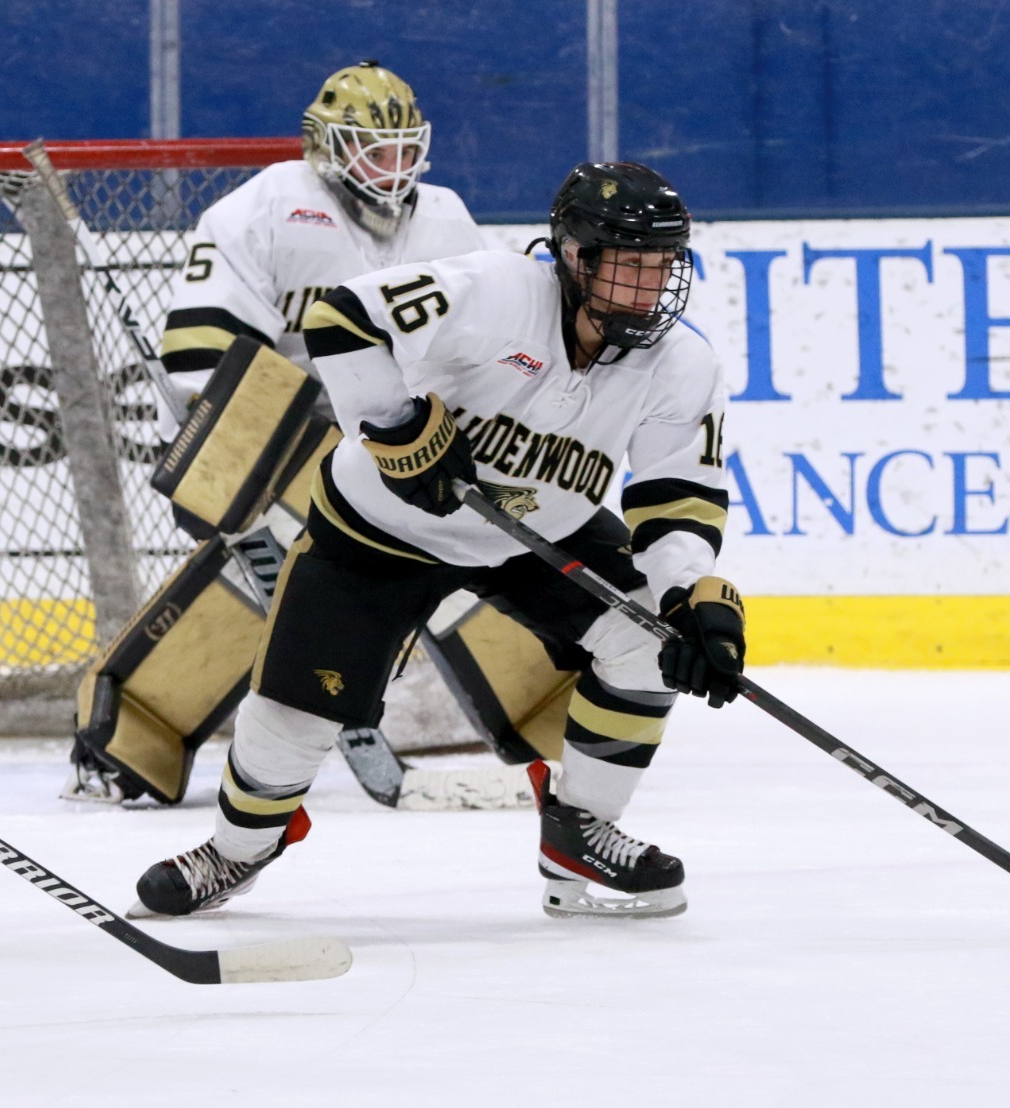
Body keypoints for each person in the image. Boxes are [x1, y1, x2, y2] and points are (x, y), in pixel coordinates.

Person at [133, 162, 744, 920]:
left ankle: (580, 830)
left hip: (534, 531)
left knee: (653, 640)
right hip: (380, 527)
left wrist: (688, 596)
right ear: (576, 256)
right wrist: (392, 426)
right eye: (630, 265)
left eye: (663, 268)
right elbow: (343, 317)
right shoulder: (495, 292)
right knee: (292, 716)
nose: (649, 289)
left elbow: (675, 495)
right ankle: (239, 846)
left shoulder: (683, 363)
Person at [67, 61, 566, 807]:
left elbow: (484, 345)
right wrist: (257, 465)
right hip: (274, 443)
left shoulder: (447, 219)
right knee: (293, 568)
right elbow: (205, 358)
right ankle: (135, 732)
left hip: (403, 439)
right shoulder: (266, 207)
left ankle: (544, 709)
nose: (393, 169)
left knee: (464, 550)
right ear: (327, 145)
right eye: (374, 149)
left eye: (404, 150)